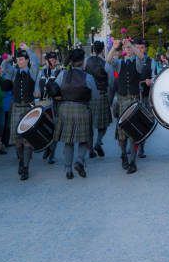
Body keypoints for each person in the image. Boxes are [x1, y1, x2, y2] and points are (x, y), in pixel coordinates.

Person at [53, 48, 98, 180]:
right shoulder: (88, 77)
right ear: (82, 62)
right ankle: (79, 161)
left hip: (65, 109)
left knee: (68, 141)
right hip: (81, 109)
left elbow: (54, 89)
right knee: (83, 139)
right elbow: (94, 96)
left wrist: (59, 97)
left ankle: (68, 169)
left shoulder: (63, 75)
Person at [1, 43, 40, 180]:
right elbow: (3, 68)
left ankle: (25, 168)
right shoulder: (13, 73)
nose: (19, 62)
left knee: (27, 140)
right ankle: (21, 161)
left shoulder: (32, 71)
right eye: (18, 60)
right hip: (16, 108)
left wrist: (28, 49)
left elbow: (36, 61)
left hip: (28, 108)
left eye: (22, 59)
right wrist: (7, 59)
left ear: (27, 60)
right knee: (17, 141)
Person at [107, 37, 145, 174]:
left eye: (129, 48)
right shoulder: (119, 63)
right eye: (126, 48)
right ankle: (123, 155)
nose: (127, 50)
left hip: (134, 101)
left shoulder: (137, 62)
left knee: (133, 133)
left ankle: (133, 162)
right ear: (122, 51)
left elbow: (141, 57)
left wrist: (131, 45)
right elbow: (108, 60)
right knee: (122, 135)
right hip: (122, 101)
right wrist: (114, 47)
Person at [84, 41, 113, 158]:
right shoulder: (106, 64)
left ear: (93, 50)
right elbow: (111, 83)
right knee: (103, 124)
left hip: (88, 95)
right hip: (101, 95)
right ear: (102, 50)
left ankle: (90, 149)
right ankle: (97, 142)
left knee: (90, 124)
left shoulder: (86, 61)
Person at [37, 51, 62, 164]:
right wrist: (36, 92)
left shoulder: (60, 72)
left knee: (55, 130)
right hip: (43, 103)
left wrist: (60, 96)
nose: (50, 62)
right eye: (48, 60)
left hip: (55, 104)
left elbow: (62, 87)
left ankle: (51, 153)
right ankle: (47, 147)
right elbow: (37, 86)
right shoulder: (42, 72)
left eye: (52, 60)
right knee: (45, 128)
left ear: (55, 61)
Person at [134, 38, 155, 158]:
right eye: (137, 47)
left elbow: (155, 77)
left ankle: (141, 147)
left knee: (143, 122)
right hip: (132, 95)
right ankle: (131, 146)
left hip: (145, 96)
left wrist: (150, 81)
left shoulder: (150, 61)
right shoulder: (130, 60)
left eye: (142, 47)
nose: (140, 50)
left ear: (145, 48)